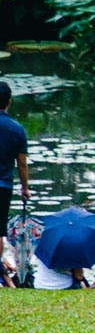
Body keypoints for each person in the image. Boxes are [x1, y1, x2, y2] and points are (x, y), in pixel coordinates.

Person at [0, 81, 26, 229]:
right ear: (9, 101)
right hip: (4, 186)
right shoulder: (17, 129)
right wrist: (25, 189)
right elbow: (22, 164)